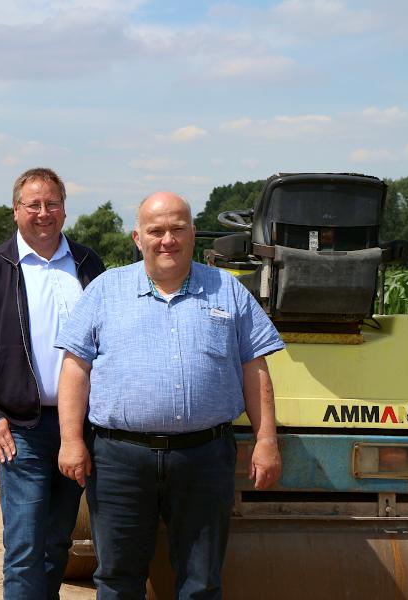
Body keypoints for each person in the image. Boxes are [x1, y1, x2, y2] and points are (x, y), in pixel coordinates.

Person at [55, 191, 284, 599]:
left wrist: (266, 440)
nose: (167, 240)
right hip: (118, 460)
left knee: (201, 580)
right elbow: (75, 370)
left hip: (204, 458)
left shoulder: (228, 292)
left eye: (177, 229)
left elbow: (255, 369)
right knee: (118, 578)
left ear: (192, 233)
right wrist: (71, 440)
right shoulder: (106, 291)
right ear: (137, 237)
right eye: (156, 230)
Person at [0, 167, 106, 599]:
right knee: (24, 548)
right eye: (33, 204)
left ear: (64, 209)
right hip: (22, 429)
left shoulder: (88, 264)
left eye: (52, 203)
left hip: (81, 427)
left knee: (58, 543)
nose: (43, 213)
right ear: (16, 210)